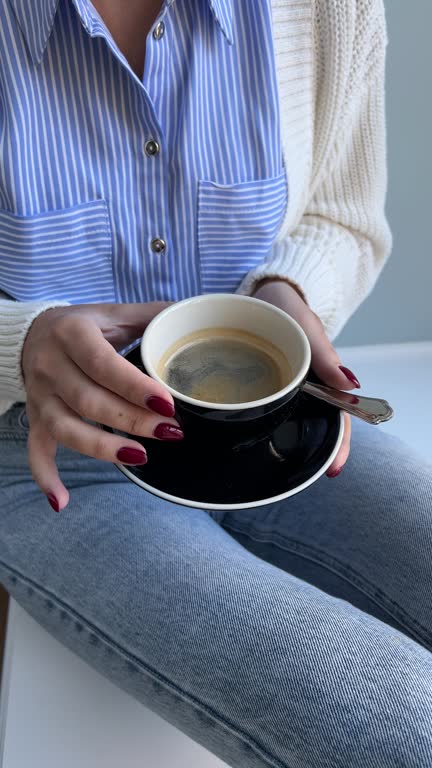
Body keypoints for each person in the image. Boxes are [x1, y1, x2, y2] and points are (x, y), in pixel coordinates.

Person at [0, 0, 431, 765]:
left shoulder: (331, 9)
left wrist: (288, 299)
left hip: (280, 422)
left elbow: (341, 212)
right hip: (46, 445)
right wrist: (18, 343)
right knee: (401, 727)